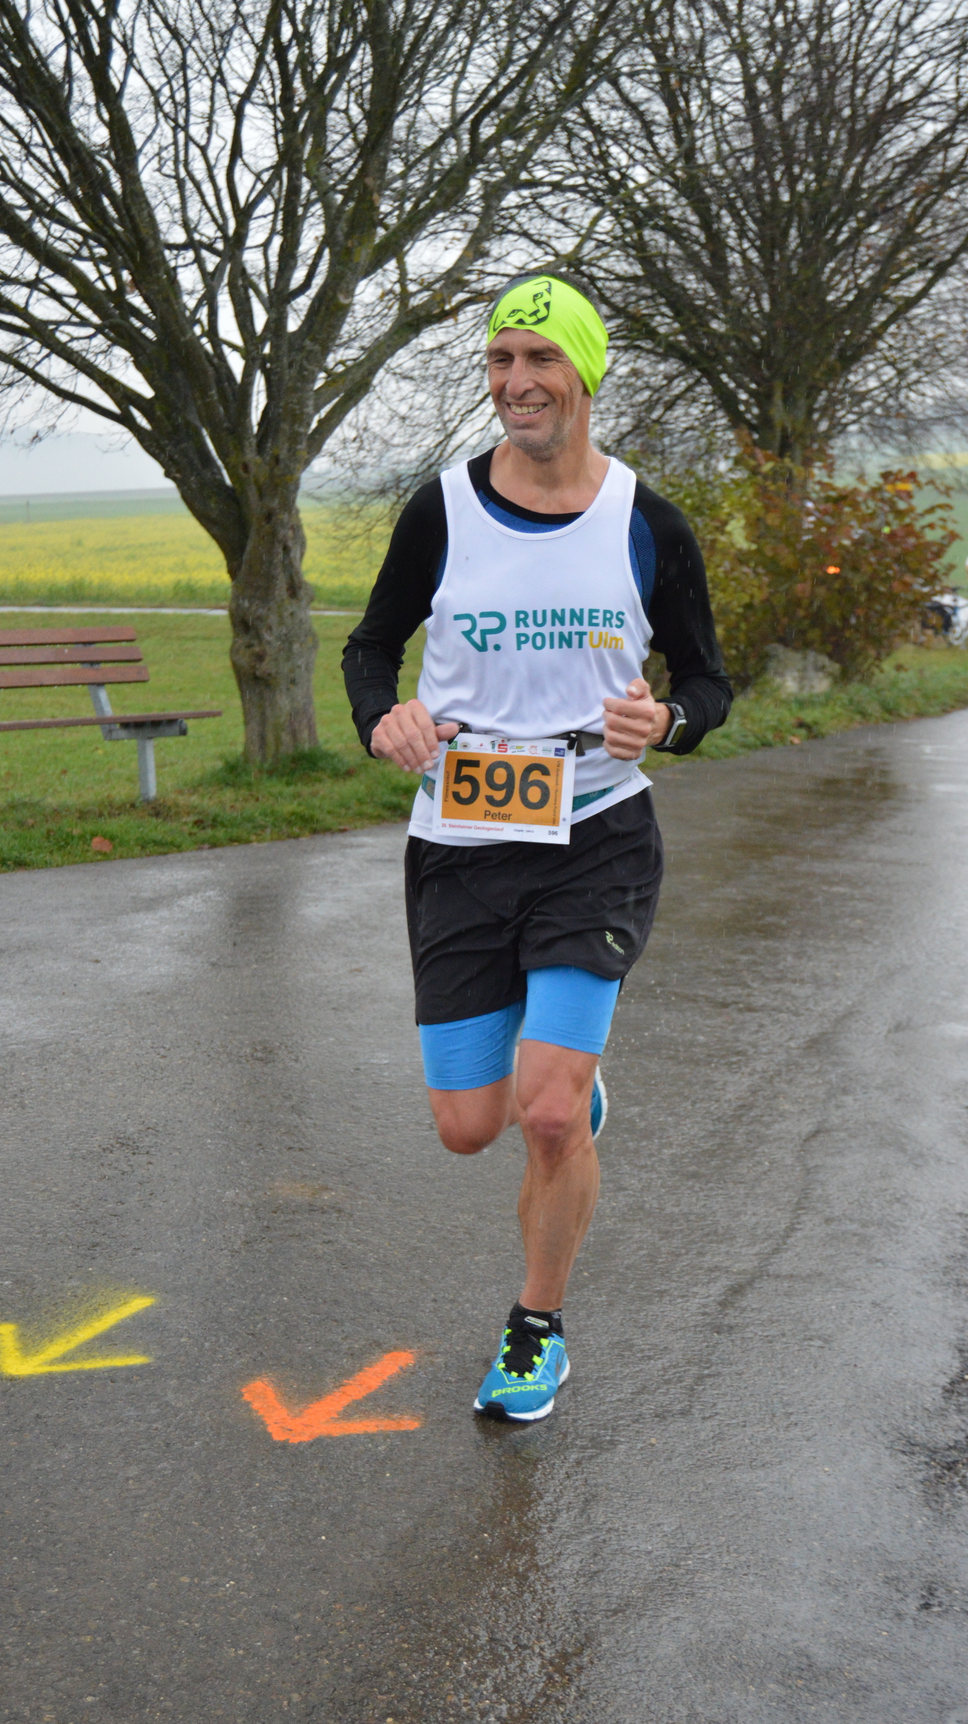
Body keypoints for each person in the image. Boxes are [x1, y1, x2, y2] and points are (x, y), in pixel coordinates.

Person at [342, 269, 732, 1421]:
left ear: (585, 374)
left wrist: (669, 719)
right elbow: (370, 646)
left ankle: (536, 1328)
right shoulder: (442, 512)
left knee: (547, 1112)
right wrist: (382, 716)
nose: (517, 381)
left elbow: (709, 682)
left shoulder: (648, 523)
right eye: (502, 360)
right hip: (461, 838)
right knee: (471, 1125)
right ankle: (569, 1086)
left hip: (595, 833)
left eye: (541, 358)